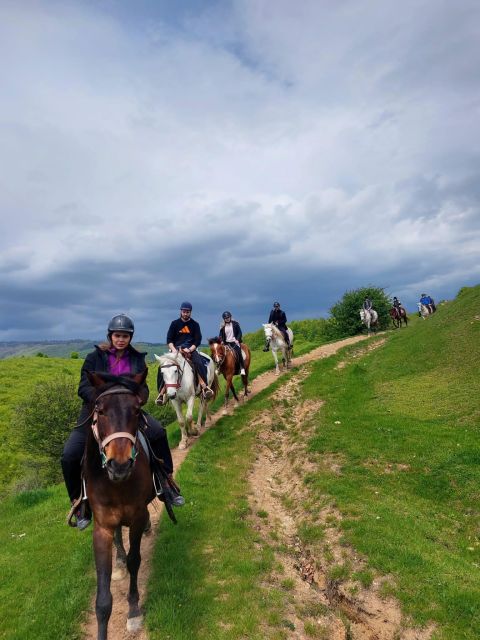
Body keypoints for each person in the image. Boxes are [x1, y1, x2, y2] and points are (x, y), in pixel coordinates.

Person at [61, 314, 183, 530]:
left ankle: (167, 483)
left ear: (130, 337)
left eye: (125, 336)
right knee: (70, 455)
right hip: (97, 412)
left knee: (158, 432)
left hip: (127, 413)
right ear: (110, 336)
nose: (121, 339)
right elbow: (83, 387)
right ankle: (79, 503)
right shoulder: (94, 358)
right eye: (117, 335)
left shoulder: (136, 359)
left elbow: (143, 388)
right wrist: (101, 399)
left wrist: (137, 399)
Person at [157, 302, 213, 405]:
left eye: (187, 312)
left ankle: (204, 387)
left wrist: (190, 349)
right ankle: (161, 393)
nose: (185, 313)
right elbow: (169, 339)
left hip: (190, 350)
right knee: (163, 366)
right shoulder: (174, 324)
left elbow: (198, 340)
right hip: (175, 350)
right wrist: (174, 350)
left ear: (190, 312)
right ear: (181, 312)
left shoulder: (195, 325)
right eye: (184, 311)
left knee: (199, 363)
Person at [219, 311, 246, 375]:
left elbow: (240, 333)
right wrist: (222, 341)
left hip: (234, 342)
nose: (227, 319)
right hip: (226, 343)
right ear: (224, 319)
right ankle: (219, 368)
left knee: (239, 352)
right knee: (219, 353)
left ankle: (242, 368)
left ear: (230, 317)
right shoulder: (222, 326)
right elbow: (220, 335)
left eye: (228, 317)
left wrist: (237, 340)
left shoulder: (235, 324)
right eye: (225, 318)